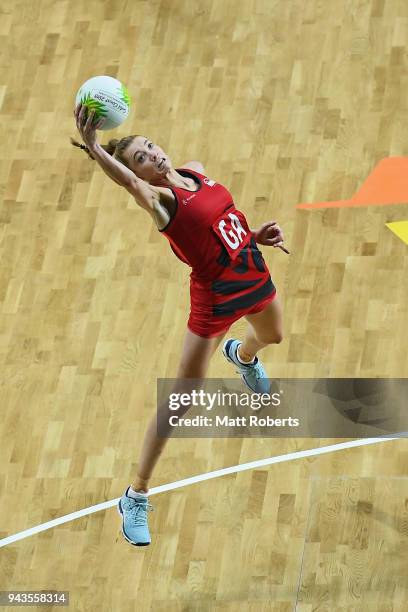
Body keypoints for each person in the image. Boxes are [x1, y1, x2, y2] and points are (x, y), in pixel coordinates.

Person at [71, 104, 287, 547]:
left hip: (249, 268)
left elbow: (222, 219)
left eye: (150, 147)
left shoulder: (196, 173)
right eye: (141, 159)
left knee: (273, 336)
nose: (152, 157)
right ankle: (136, 494)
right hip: (214, 299)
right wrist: (95, 148)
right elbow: (129, 184)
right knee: (183, 397)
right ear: (140, 176)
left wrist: (251, 235)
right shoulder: (161, 202)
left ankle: (241, 356)